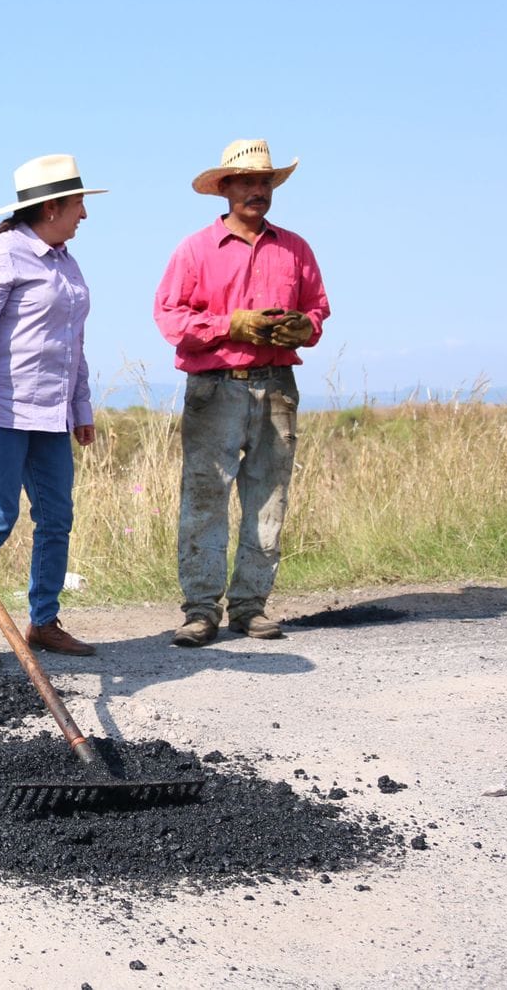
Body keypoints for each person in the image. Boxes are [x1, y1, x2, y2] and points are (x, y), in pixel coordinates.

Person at [153, 139, 329, 647]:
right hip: (215, 386)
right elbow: (171, 318)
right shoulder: (194, 250)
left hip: (276, 387)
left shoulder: (295, 247)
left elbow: (318, 311)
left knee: (268, 497)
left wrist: (302, 327)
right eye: (248, 182)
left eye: (266, 182)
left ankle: (251, 607)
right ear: (224, 189)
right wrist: (232, 325)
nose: (259, 191)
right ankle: (201, 610)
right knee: (205, 498)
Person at [0, 155, 105, 666]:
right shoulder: (3, 253)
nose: (84, 214)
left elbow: (72, 342)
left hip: (52, 416)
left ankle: (44, 621)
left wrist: (81, 406)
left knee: (58, 517)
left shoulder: (66, 261)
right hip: (2, 412)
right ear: (51, 206)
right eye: (78, 203)